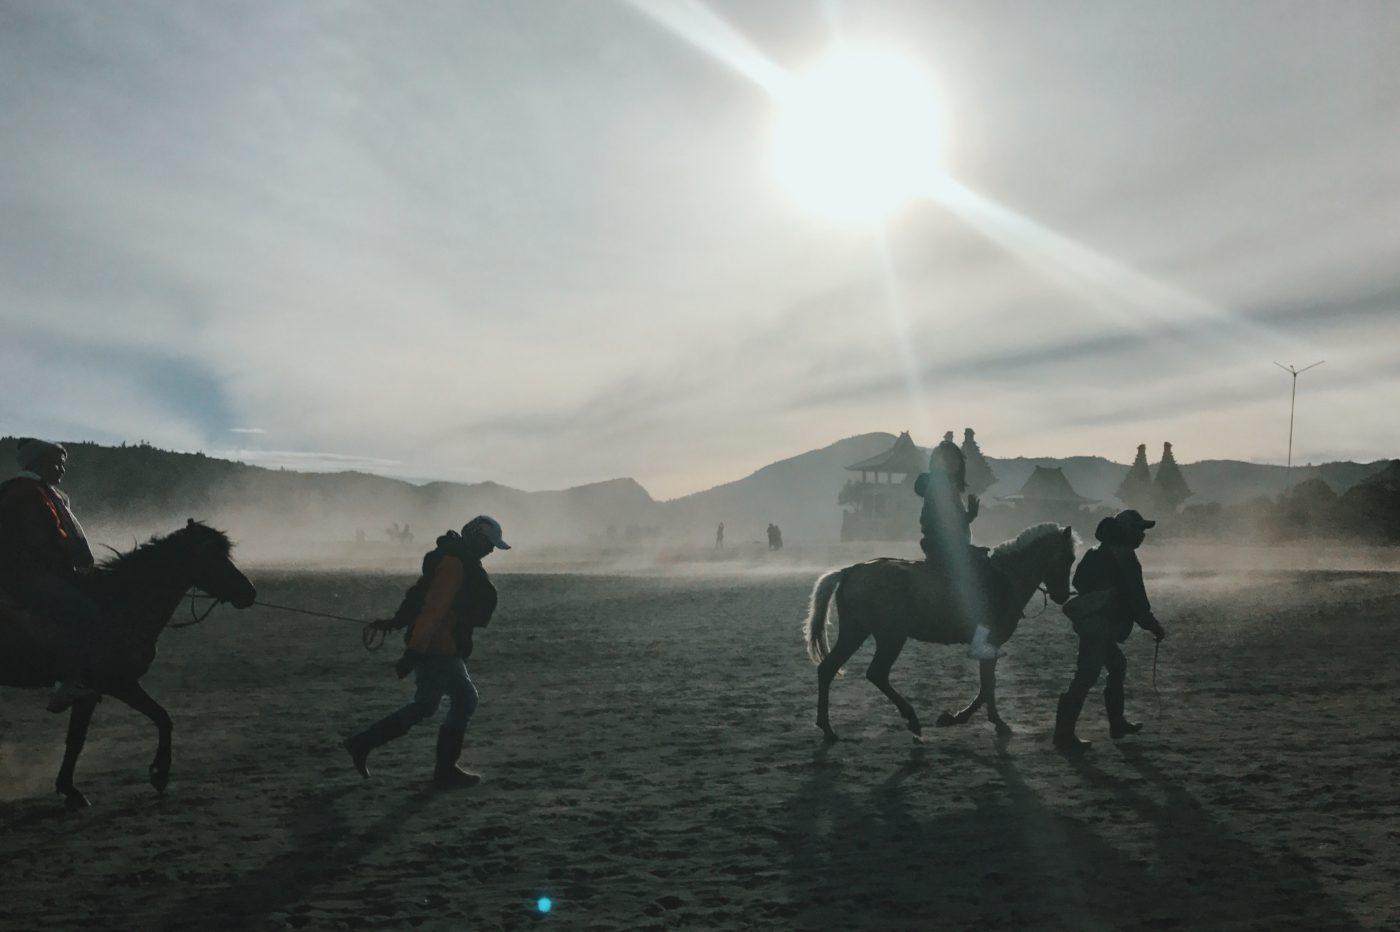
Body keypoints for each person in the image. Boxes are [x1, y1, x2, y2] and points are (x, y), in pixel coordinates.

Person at [343, 515, 510, 788]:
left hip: (443, 645)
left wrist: (398, 623)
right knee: (447, 702)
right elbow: (434, 609)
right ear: (476, 539)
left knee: (443, 702)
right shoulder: (455, 565)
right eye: (489, 544)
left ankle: (366, 744)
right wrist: (413, 652)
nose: (491, 550)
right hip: (439, 646)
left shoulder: (454, 559)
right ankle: (439, 769)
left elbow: (419, 597)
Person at [1053, 509, 1167, 752]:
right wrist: (1153, 626)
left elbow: (1078, 583)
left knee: (1116, 666)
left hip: (1091, 624)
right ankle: (1064, 735)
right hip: (1101, 627)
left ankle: (1117, 723)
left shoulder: (1096, 551)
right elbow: (1137, 599)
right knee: (1086, 676)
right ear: (1126, 531)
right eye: (1139, 529)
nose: (1142, 535)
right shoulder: (1124, 556)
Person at [0, 438, 100, 712]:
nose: (62, 469)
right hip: (25, 577)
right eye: (57, 463)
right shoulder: (27, 494)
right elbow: (48, 541)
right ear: (39, 463)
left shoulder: (35, 491)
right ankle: (65, 683)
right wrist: (73, 571)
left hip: (28, 573)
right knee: (84, 613)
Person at [916, 432, 996, 660]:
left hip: (949, 544)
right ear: (937, 462)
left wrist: (968, 517)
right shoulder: (940, 485)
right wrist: (969, 517)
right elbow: (944, 520)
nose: (951, 463)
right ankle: (977, 641)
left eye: (954, 459)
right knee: (981, 583)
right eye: (946, 459)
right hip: (944, 545)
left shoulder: (947, 485)